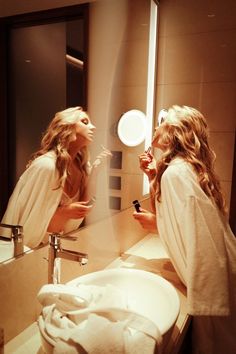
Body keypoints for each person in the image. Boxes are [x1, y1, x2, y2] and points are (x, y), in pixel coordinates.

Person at [133, 105, 236, 354]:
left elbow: (201, 240)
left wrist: (207, 305)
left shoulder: (176, 174)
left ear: (175, 132)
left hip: (216, 286)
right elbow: (178, 220)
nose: (156, 126)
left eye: (162, 120)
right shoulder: (180, 170)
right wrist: (153, 176)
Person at [1, 106, 112, 249]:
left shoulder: (82, 166)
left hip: (56, 247)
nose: (93, 127)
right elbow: (29, 226)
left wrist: (96, 171)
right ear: (68, 127)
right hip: (30, 251)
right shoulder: (46, 166)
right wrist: (64, 212)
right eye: (85, 122)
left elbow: (82, 209)